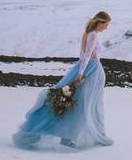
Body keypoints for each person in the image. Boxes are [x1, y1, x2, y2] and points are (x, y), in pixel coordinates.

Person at [11, 11, 115, 150]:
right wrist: (80, 74)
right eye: (106, 25)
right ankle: (76, 137)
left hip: (90, 71)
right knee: (85, 104)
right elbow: (86, 56)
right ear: (100, 22)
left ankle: (86, 135)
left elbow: (84, 56)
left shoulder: (88, 33)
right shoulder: (93, 35)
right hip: (90, 72)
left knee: (87, 103)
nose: (106, 28)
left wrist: (80, 71)